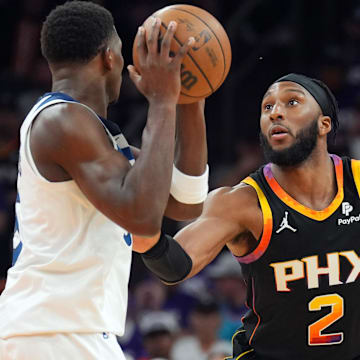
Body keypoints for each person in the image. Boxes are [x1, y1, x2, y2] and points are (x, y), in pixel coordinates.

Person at [0, 1, 209, 359]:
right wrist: (161, 101)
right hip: (53, 332)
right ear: (109, 57)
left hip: (71, 332)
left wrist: (189, 101)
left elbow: (185, 201)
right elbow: (142, 217)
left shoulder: (95, 137)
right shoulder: (61, 120)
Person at [138, 73, 360, 359]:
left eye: (292, 102)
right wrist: (141, 231)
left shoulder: (355, 181)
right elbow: (173, 267)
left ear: (324, 124)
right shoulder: (240, 202)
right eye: (267, 107)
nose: (276, 112)